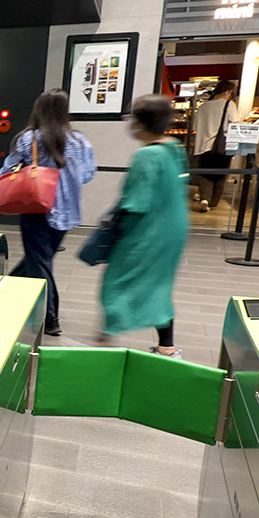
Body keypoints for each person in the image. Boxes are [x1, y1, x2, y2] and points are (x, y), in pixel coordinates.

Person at [0, 89, 96, 337]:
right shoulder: (80, 141)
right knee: (41, 258)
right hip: (67, 213)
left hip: (36, 208)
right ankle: (3, 289)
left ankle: (51, 318)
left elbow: (10, 168)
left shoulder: (29, 138)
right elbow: (87, 174)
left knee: (40, 261)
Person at [99, 94, 189, 358]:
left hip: (148, 231)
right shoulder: (175, 147)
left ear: (139, 124)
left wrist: (113, 231)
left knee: (116, 280)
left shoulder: (146, 156)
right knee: (160, 285)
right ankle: (167, 347)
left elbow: (135, 203)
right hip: (174, 229)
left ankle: (106, 337)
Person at [191, 80, 238, 212]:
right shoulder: (229, 105)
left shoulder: (203, 107)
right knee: (220, 175)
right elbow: (235, 123)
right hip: (221, 146)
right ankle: (213, 203)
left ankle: (204, 199)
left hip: (202, 146)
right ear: (228, 91)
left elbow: (195, 127)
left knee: (204, 174)